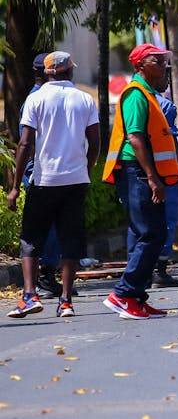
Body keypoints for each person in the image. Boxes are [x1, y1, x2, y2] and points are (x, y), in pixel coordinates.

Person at [7, 52, 99, 319]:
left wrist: (15, 185)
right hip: (75, 181)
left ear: (48, 73)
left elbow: (25, 144)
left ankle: (29, 295)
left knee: (30, 239)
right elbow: (94, 142)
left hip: (44, 180)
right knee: (70, 242)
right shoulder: (84, 99)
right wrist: (86, 168)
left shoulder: (35, 99)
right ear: (68, 71)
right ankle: (66, 301)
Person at [102, 43, 178, 319]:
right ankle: (123, 293)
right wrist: (151, 177)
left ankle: (136, 296)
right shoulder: (135, 94)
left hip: (146, 172)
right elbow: (135, 138)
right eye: (157, 61)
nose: (163, 66)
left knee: (154, 233)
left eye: (163, 61)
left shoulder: (148, 94)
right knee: (150, 233)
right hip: (137, 172)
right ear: (140, 66)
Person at [21, 53, 63, 298]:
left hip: (47, 168)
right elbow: (28, 142)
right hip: (40, 170)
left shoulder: (44, 97)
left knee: (52, 225)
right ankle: (44, 278)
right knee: (43, 227)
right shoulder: (36, 100)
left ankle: (47, 275)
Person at [153, 88, 178, 288]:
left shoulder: (129, 96)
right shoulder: (165, 105)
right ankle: (159, 270)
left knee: (143, 224)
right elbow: (173, 142)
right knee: (167, 221)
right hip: (165, 174)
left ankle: (148, 269)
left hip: (138, 174)